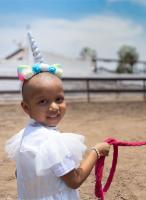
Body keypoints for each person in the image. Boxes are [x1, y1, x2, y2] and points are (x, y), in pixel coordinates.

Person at [5, 63, 110, 199]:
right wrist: (96, 151)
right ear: (26, 108)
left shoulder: (25, 135)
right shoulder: (53, 142)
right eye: (43, 101)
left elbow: (19, 173)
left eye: (59, 99)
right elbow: (74, 180)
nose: (54, 107)